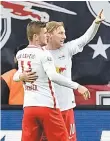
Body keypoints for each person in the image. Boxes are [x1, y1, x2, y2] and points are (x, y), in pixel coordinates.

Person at [13, 21, 90, 141]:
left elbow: (16, 76)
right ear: (36, 37)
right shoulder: (45, 54)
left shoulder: (21, 54)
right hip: (47, 107)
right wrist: (77, 86)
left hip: (29, 108)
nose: (47, 36)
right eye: (45, 33)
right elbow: (53, 76)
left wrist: (21, 77)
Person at [41, 9, 104, 140]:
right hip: (47, 109)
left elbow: (85, 39)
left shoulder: (67, 49)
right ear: (50, 34)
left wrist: (96, 24)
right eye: (61, 33)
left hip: (66, 107)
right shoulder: (39, 53)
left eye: (64, 33)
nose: (64, 36)